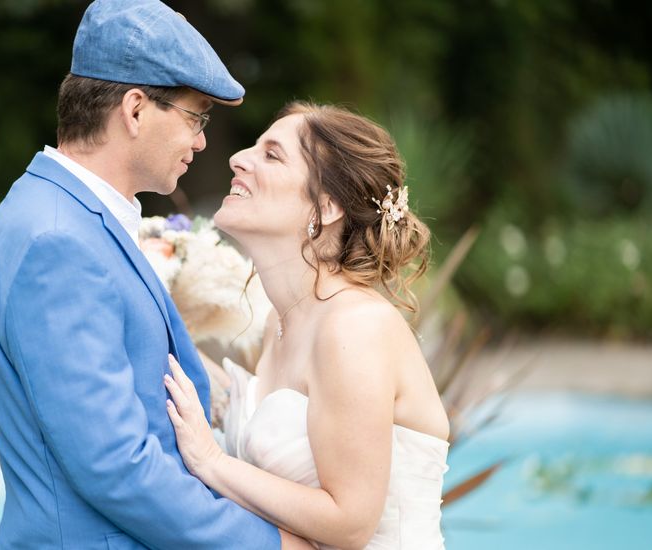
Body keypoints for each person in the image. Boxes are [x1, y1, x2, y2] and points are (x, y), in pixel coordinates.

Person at [0, 1, 319, 548]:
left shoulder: (62, 217)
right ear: (134, 110)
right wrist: (267, 543)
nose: (202, 142)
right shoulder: (59, 243)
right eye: (196, 117)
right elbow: (115, 464)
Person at [164, 102, 451, 549]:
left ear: (327, 205)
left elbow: (350, 523)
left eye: (272, 155)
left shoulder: (354, 327)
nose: (238, 158)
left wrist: (211, 461)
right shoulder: (283, 323)